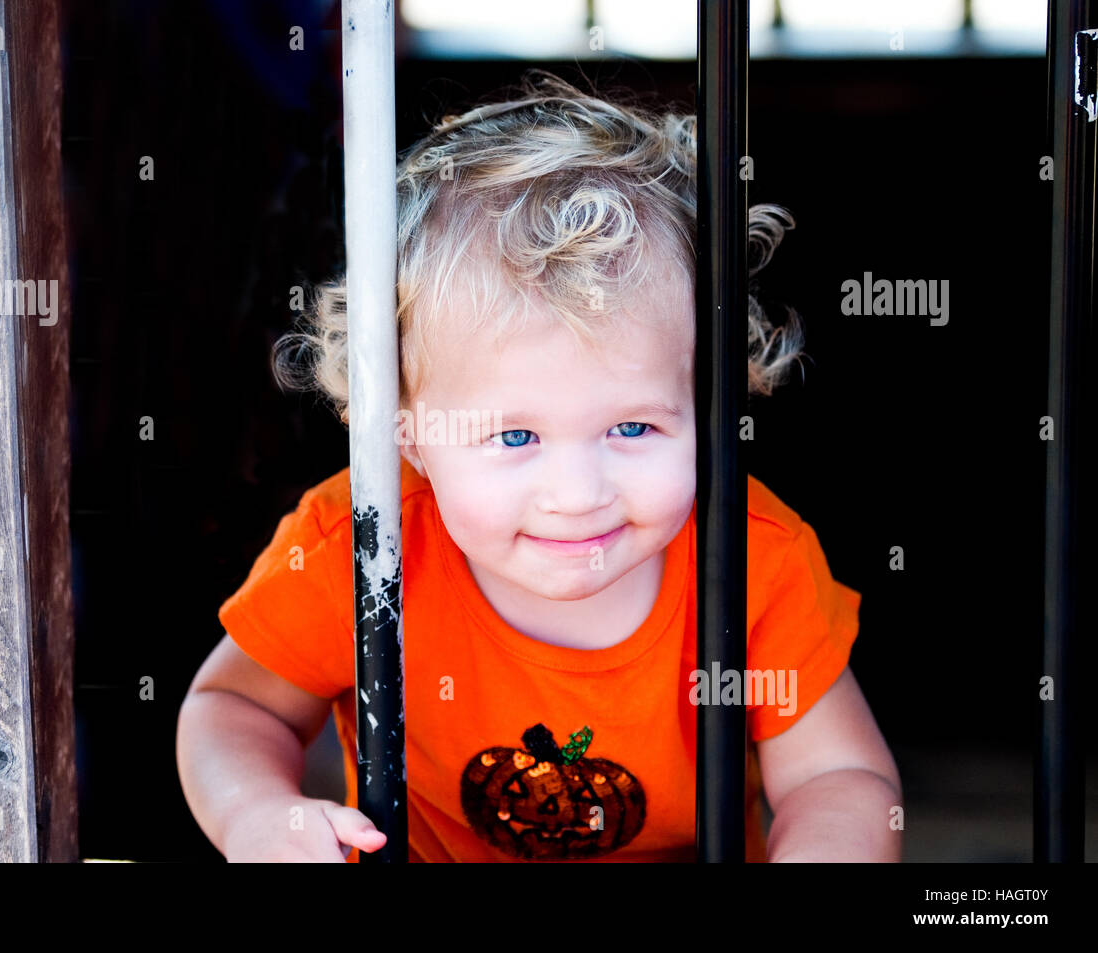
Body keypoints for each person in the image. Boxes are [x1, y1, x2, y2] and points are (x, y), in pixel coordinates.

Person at [177, 70, 902, 862]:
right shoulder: (360, 544)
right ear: (407, 432)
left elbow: (838, 775)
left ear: (709, 403)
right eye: (515, 438)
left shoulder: (754, 558)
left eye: (631, 425)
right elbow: (237, 708)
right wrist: (258, 812)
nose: (577, 494)